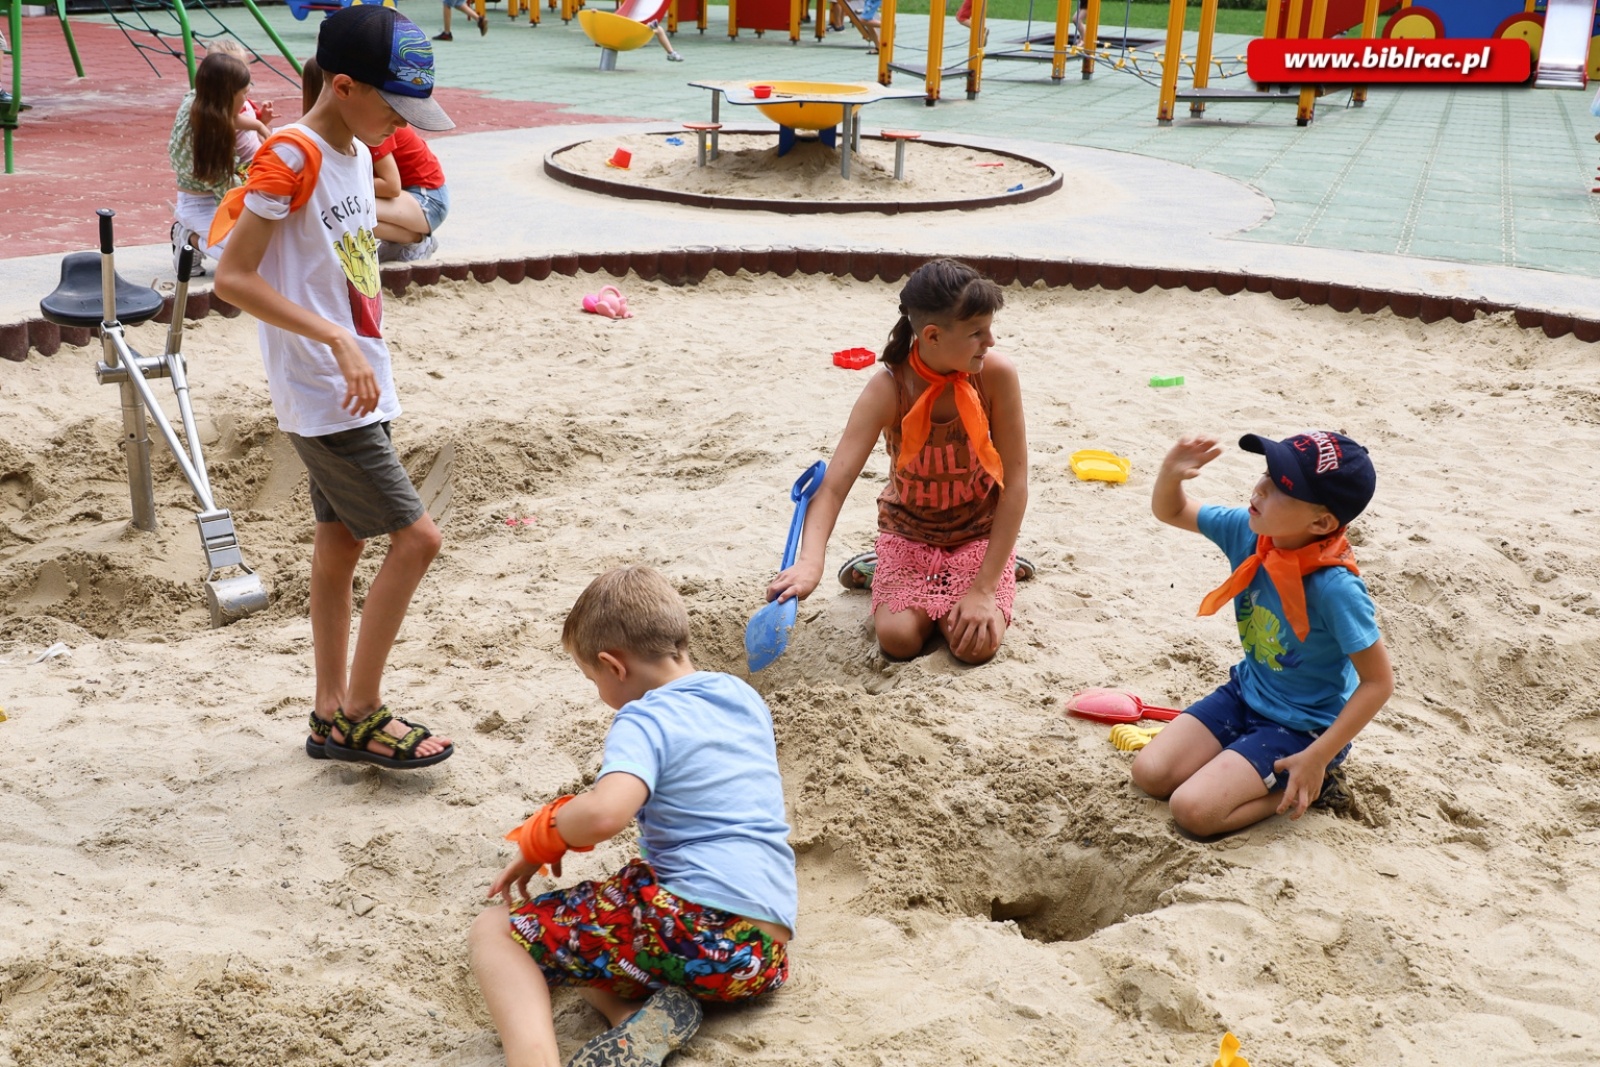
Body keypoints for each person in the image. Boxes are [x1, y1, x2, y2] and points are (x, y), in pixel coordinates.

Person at [211, 6, 458, 769]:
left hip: (358, 381)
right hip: (323, 385)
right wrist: (336, 338)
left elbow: (381, 229)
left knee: (341, 543)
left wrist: (395, 186)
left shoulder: (355, 149)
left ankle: (327, 715)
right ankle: (361, 709)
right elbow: (232, 278)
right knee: (417, 539)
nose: (402, 122)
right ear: (343, 85)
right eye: (393, 105)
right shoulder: (291, 154)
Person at [469, 565, 795, 1067]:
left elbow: (605, 814)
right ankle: (635, 1020)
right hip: (759, 956)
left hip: (691, 928)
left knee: (497, 932)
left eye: (592, 678)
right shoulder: (741, 696)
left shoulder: (643, 716)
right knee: (597, 932)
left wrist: (543, 835)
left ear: (613, 666)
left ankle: (532, 1060)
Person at [765, 258, 1030, 665]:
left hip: (980, 531)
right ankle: (879, 567)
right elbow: (833, 486)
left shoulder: (996, 375)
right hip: (910, 533)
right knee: (899, 640)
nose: (990, 341)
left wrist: (984, 588)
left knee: (973, 645)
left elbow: (1015, 484)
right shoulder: (889, 388)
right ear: (932, 335)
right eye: (977, 333)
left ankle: (1004, 564)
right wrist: (810, 563)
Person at [1132, 432, 1395, 837]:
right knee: (1150, 773)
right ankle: (1240, 762)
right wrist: (1171, 473)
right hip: (1245, 694)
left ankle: (1315, 782)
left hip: (1305, 728)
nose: (1260, 488)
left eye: (1281, 487)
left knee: (1193, 810)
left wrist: (1317, 756)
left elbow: (1379, 682)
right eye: (1266, 473)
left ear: (1321, 522)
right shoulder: (1251, 533)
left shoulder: (1335, 588)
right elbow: (1173, 510)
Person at [301, 58, 450, 261]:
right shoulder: (349, 125)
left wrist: (340, 184)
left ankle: (417, 240)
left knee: (342, 207)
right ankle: (412, 237)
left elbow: (391, 186)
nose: (400, 122)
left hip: (428, 199)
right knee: (340, 205)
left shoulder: (372, 127)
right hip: (405, 199)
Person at [168, 52, 271, 276]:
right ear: (226, 96)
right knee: (246, 258)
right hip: (199, 203)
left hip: (216, 192)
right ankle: (187, 236)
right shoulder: (209, 141)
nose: (247, 99)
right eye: (244, 94)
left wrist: (259, 127)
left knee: (263, 246)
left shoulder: (200, 101)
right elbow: (229, 194)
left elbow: (228, 115)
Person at [203, 37, 275, 162]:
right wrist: (259, 126)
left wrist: (262, 119)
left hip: (256, 156)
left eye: (242, 67)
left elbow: (249, 129)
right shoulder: (220, 105)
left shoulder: (240, 98)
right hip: (244, 165)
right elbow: (231, 119)